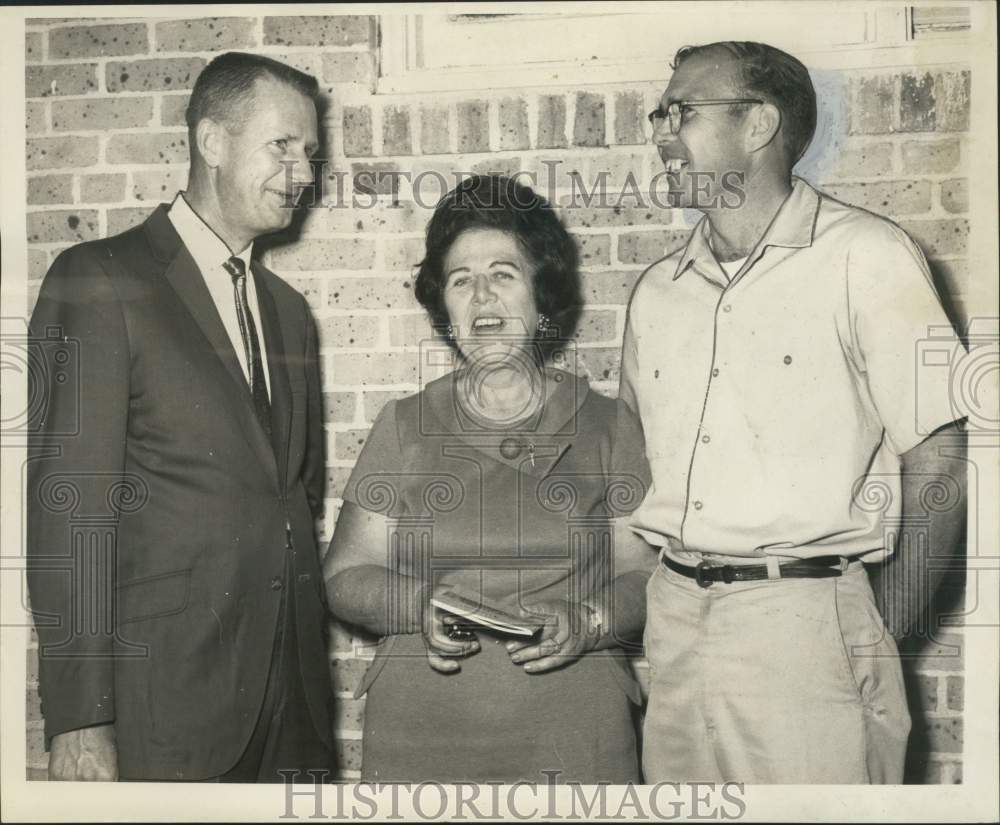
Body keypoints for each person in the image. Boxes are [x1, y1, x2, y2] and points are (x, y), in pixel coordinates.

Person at [622, 41, 967, 784]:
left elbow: (941, 465)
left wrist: (874, 635)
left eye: (682, 112)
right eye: (659, 115)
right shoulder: (657, 291)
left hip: (808, 629)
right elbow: (628, 467)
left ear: (759, 124)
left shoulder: (867, 256)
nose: (660, 133)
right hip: (675, 625)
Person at [27, 52, 335, 782]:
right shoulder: (99, 278)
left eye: (310, 152)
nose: (303, 173)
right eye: (282, 145)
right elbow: (70, 512)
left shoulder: (290, 313)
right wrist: (81, 718)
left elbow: (294, 497)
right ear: (212, 141)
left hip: (291, 709)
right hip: (165, 707)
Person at [323, 175, 655, 783]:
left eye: (503, 274)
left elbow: (646, 577)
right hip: (421, 733)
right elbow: (343, 576)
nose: (482, 297)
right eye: (460, 280)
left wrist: (589, 620)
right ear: (444, 308)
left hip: (573, 733)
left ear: (541, 294)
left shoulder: (608, 425)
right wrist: (416, 606)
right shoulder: (404, 424)